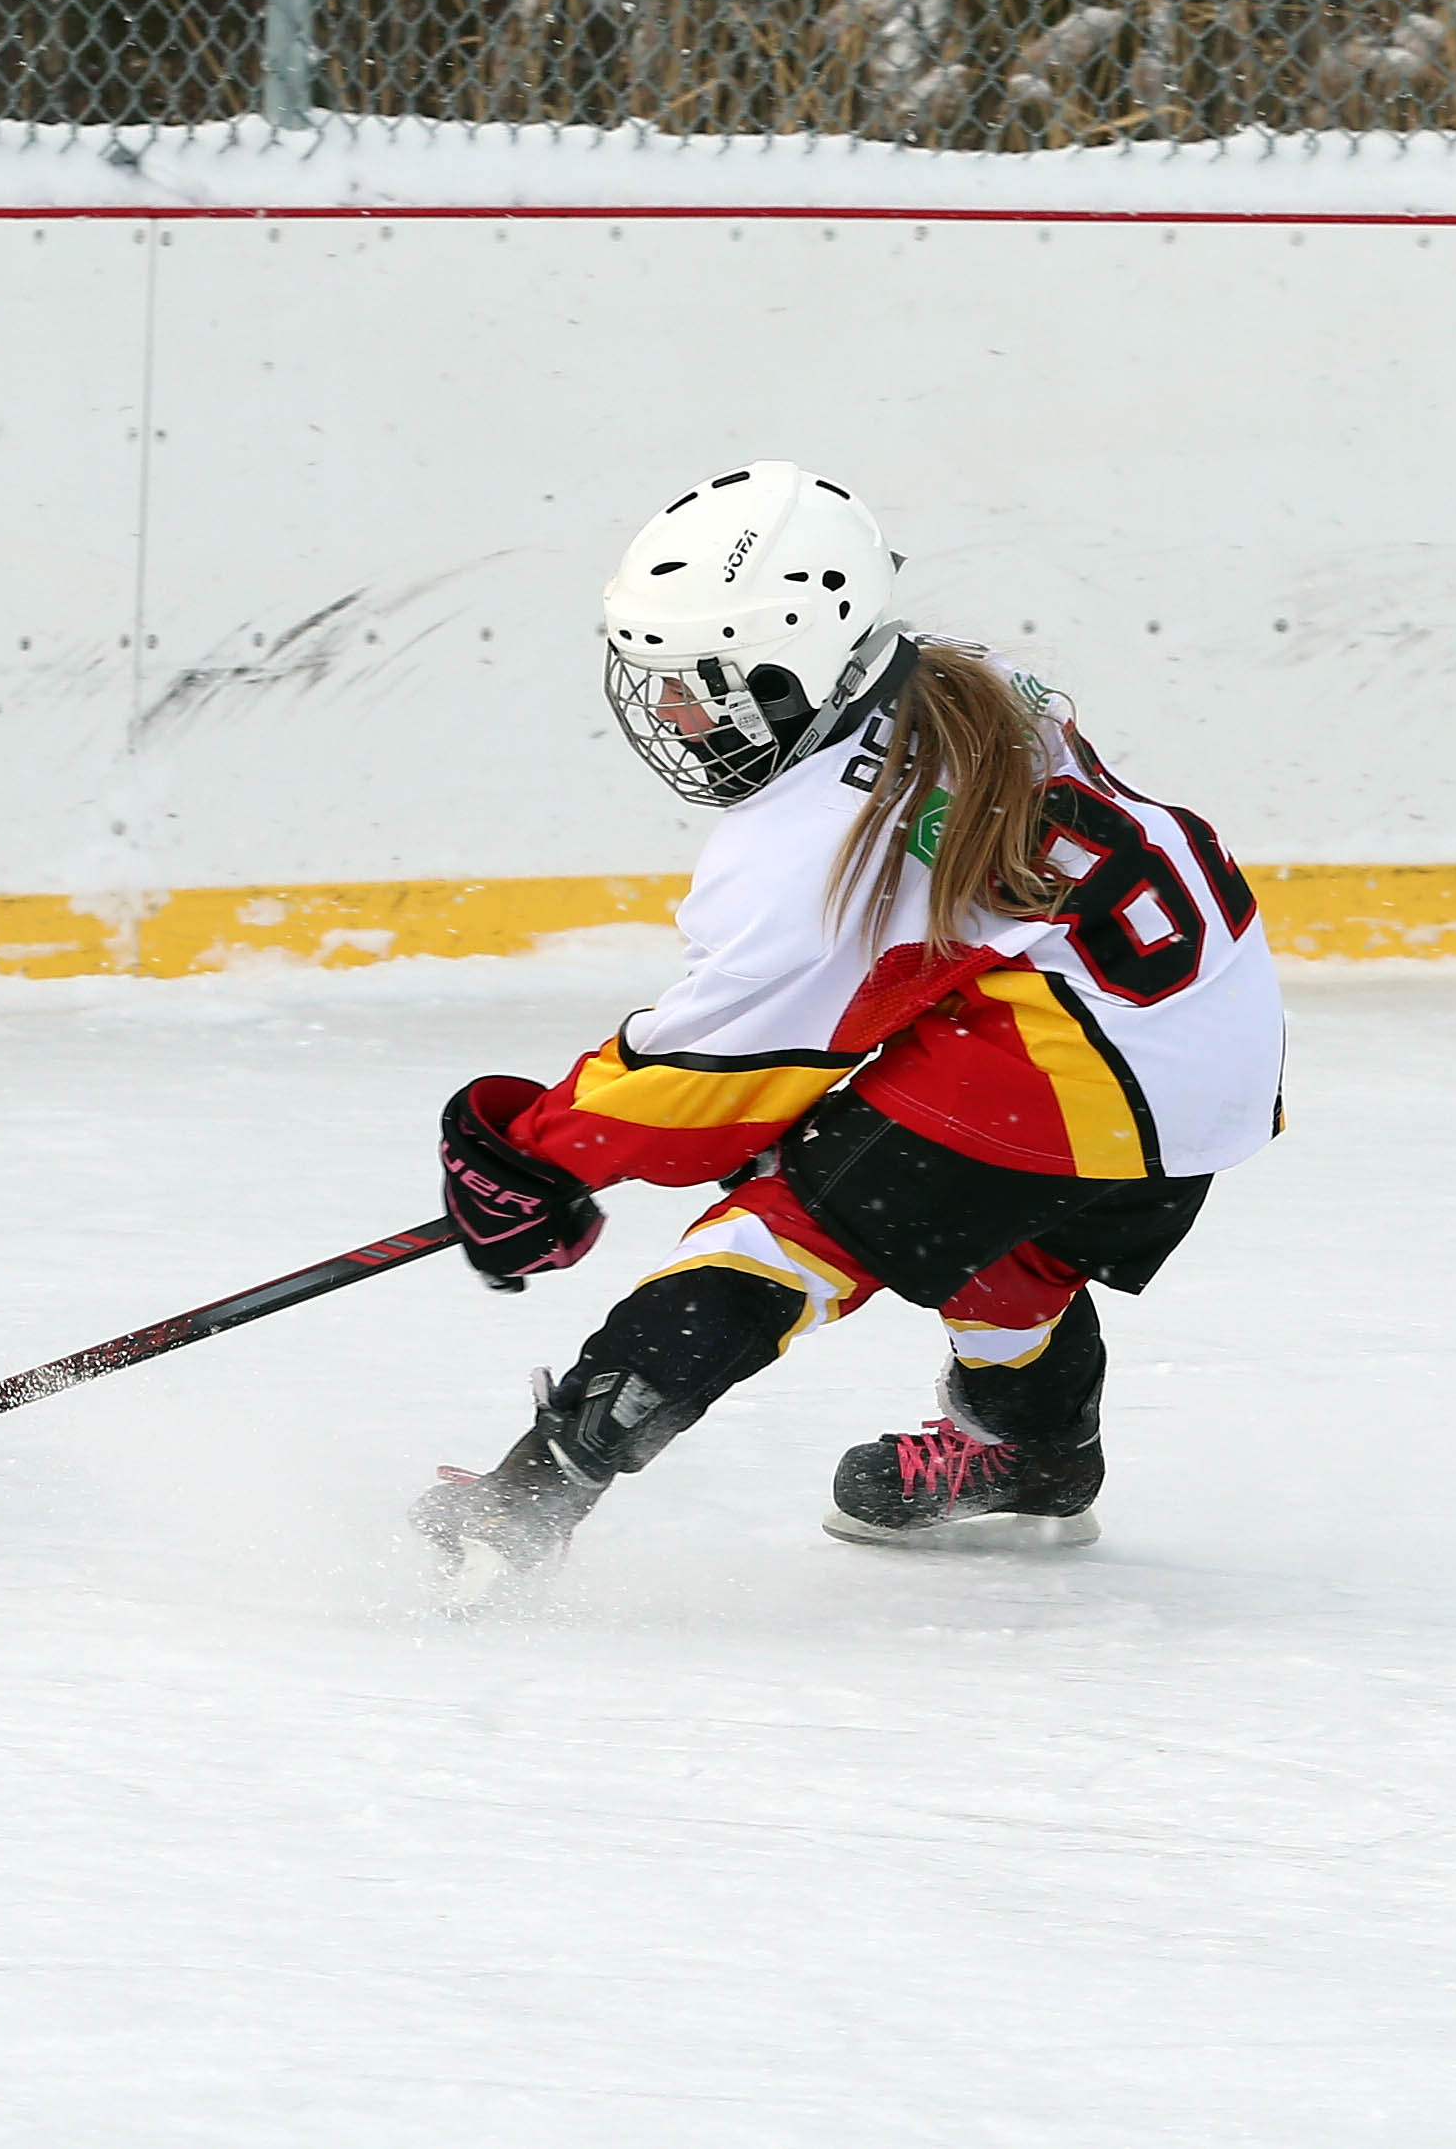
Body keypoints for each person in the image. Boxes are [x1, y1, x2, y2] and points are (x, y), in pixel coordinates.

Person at [415, 462, 1284, 1599]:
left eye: (704, 683)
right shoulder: (970, 679)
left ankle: (529, 1500)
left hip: (1074, 1069)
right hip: (1213, 1042)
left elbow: (708, 1087)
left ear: (800, 661)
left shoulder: (803, 843)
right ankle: (1032, 1454)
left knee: (785, 1232)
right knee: (1001, 1237)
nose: (672, 714)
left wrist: (537, 1156)